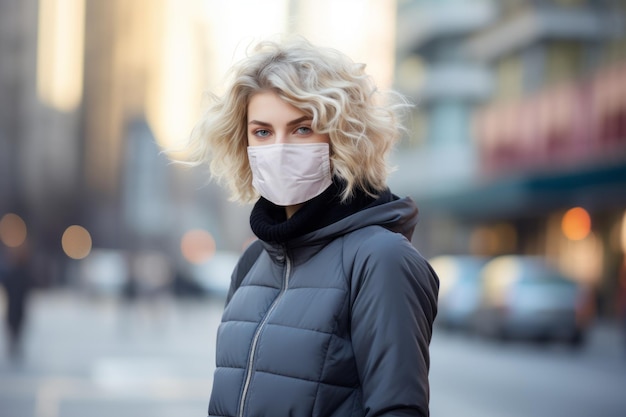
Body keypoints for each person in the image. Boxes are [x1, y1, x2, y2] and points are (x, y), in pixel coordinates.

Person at [183, 37, 439, 417]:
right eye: (263, 132)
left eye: (302, 129)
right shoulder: (253, 261)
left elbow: (397, 409)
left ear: (342, 136)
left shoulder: (381, 259)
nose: (279, 148)